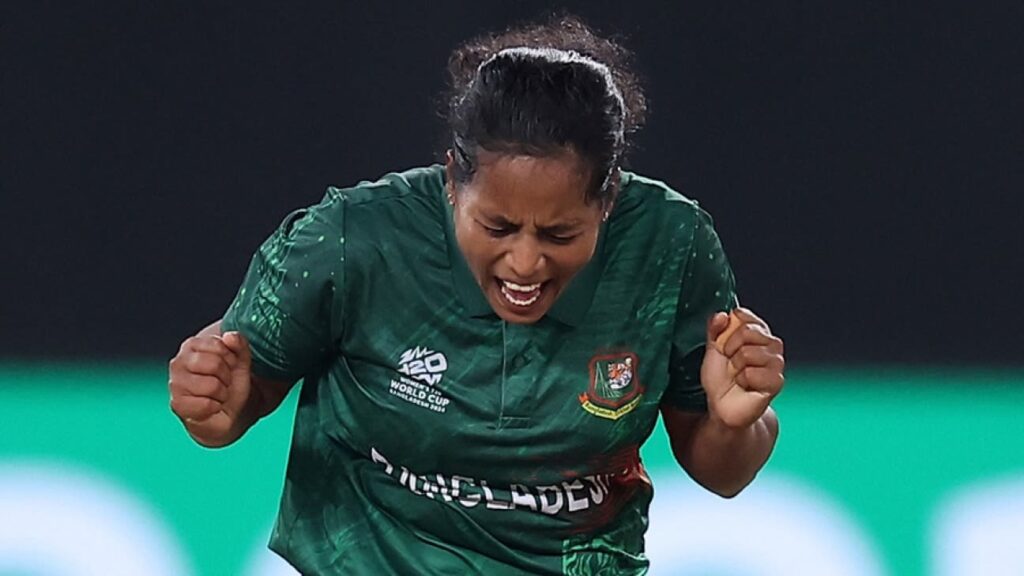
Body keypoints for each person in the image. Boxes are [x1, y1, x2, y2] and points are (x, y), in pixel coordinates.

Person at [168, 15, 784, 576]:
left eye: (559, 234)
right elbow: (235, 403)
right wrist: (212, 407)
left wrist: (737, 422)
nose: (525, 262)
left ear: (609, 199)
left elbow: (722, 473)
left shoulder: (671, 246)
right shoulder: (351, 239)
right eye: (497, 227)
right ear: (451, 184)